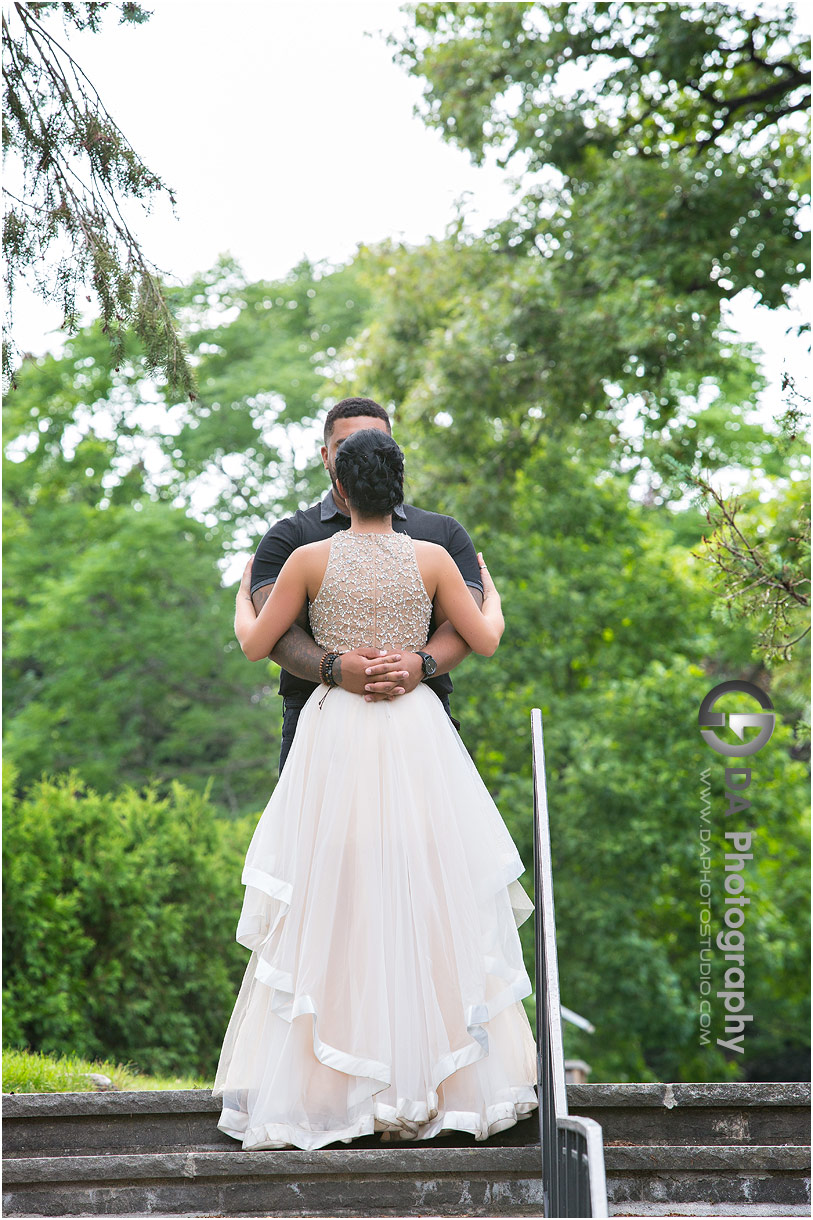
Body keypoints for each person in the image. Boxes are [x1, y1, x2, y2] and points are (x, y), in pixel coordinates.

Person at [212, 427, 538, 1150]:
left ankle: (334, 1085)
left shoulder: (306, 558)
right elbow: (483, 638)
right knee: (428, 889)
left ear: (339, 488)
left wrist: (243, 593)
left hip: (337, 733)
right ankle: (437, 1082)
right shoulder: (429, 557)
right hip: (416, 733)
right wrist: (496, 597)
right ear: (398, 488)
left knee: (335, 896)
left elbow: (254, 642)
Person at [248, 397, 485, 774]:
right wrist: (334, 668)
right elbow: (275, 631)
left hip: (421, 721)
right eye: (346, 447)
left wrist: (420, 665)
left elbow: (463, 625)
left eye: (373, 443)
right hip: (318, 725)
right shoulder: (289, 539)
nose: (362, 454)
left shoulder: (443, 535)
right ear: (327, 456)